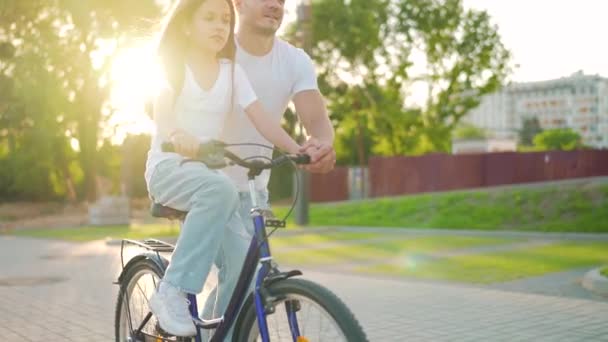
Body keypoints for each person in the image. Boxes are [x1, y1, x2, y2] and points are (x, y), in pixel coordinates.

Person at [144, 0, 303, 336]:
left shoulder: (233, 72)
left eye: (225, 19)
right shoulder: (174, 66)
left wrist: (298, 150)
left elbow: (262, 118)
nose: (220, 26)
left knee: (242, 266)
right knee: (222, 189)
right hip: (169, 169)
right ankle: (171, 289)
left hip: (210, 181)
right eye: (210, 18)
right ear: (187, 25)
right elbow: (163, 107)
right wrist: (176, 133)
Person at [201, 0, 336, 339]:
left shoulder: (294, 60)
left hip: (253, 191)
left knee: (244, 280)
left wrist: (320, 147)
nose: (275, 4)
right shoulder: (214, 50)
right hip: (205, 186)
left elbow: (317, 121)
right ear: (239, 4)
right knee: (240, 274)